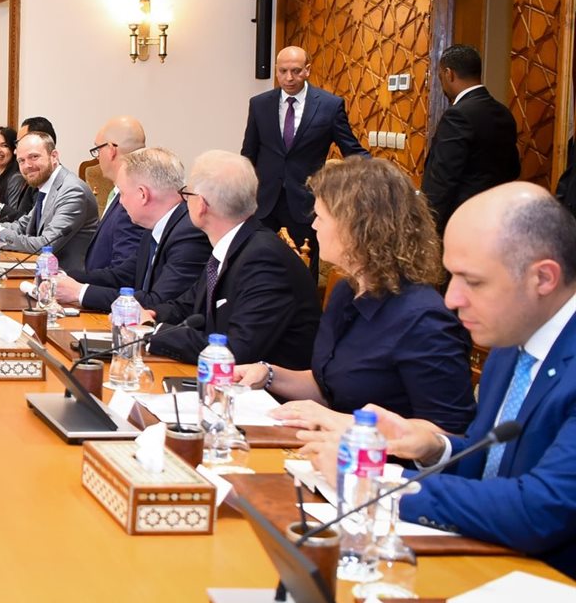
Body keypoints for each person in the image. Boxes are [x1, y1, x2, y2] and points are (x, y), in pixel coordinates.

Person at [297, 184, 576, 577]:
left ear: (543, 278)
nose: (451, 299)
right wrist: (434, 447)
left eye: (472, 281)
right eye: (452, 277)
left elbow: (542, 508)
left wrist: (376, 484)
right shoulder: (510, 345)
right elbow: (489, 465)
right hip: (485, 562)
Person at [236, 157, 475, 433]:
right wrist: (269, 374)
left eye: (321, 217)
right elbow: (332, 388)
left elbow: (449, 433)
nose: (314, 227)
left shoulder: (424, 320)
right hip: (335, 449)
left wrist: (337, 420)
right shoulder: (346, 291)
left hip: (387, 460)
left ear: (358, 228)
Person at [144, 151, 320, 367]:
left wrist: (155, 333)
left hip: (263, 386)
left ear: (201, 205)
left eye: (187, 194)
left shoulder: (264, 259)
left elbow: (235, 350)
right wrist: (151, 315)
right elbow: (188, 305)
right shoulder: (234, 245)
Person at [241, 45, 368, 272]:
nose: (289, 78)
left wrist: (383, 175)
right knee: (257, 267)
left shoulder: (330, 106)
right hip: (264, 203)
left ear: (307, 70)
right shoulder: (259, 104)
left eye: (296, 71)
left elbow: (352, 150)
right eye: (283, 71)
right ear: (276, 70)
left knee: (303, 271)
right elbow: (248, 154)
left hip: (305, 203)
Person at [53, 148, 210, 313]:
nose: (120, 202)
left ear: (143, 194)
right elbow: (122, 276)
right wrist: (63, 277)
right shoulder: (155, 225)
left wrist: (80, 293)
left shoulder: (189, 235)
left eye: (122, 193)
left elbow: (157, 302)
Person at [421, 44, 521, 234]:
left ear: (449, 74)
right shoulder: (504, 113)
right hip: (496, 220)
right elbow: (513, 169)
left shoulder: (457, 115)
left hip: (461, 222)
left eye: (440, 77)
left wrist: (427, 228)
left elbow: (442, 180)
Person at [0, 132, 100, 270]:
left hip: (67, 276)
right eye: (21, 161)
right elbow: (23, 226)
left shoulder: (72, 191)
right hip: (43, 270)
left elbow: (46, 244)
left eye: (34, 157)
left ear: (54, 156)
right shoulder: (47, 187)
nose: (27, 165)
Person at [78, 116, 148, 271]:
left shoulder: (131, 202)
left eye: (98, 150)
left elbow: (123, 270)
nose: (97, 157)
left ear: (111, 150)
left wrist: (76, 282)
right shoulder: (120, 192)